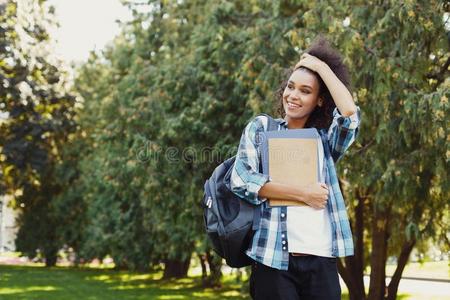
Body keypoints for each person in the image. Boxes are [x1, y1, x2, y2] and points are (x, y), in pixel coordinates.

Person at [229, 36, 361, 300]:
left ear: (320, 100)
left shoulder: (324, 140)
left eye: (305, 90)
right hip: (273, 259)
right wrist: (304, 194)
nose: (293, 95)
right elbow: (243, 180)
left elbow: (349, 115)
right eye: (291, 86)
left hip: (321, 261)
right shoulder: (262, 128)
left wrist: (321, 67)